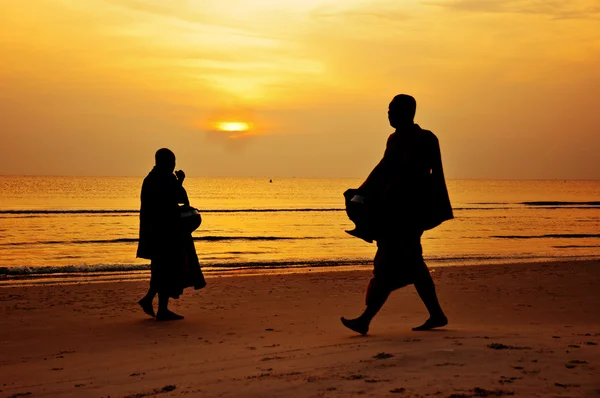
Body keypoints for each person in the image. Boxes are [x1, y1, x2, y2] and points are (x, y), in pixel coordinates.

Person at [341, 94, 453, 335]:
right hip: (393, 211)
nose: (388, 114)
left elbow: (434, 176)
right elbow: (382, 170)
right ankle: (436, 314)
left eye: (392, 110)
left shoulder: (425, 139)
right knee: (414, 266)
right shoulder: (394, 139)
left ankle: (365, 320)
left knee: (388, 265)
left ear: (406, 112)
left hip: (409, 213)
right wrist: (361, 193)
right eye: (388, 109)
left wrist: (433, 208)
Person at [136, 148, 206, 321]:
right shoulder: (163, 179)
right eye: (171, 162)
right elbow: (178, 198)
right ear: (164, 162)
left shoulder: (151, 179)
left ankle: (154, 304)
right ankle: (159, 308)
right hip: (164, 233)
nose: (173, 165)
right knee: (166, 270)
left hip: (157, 233)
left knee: (162, 271)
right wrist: (180, 181)